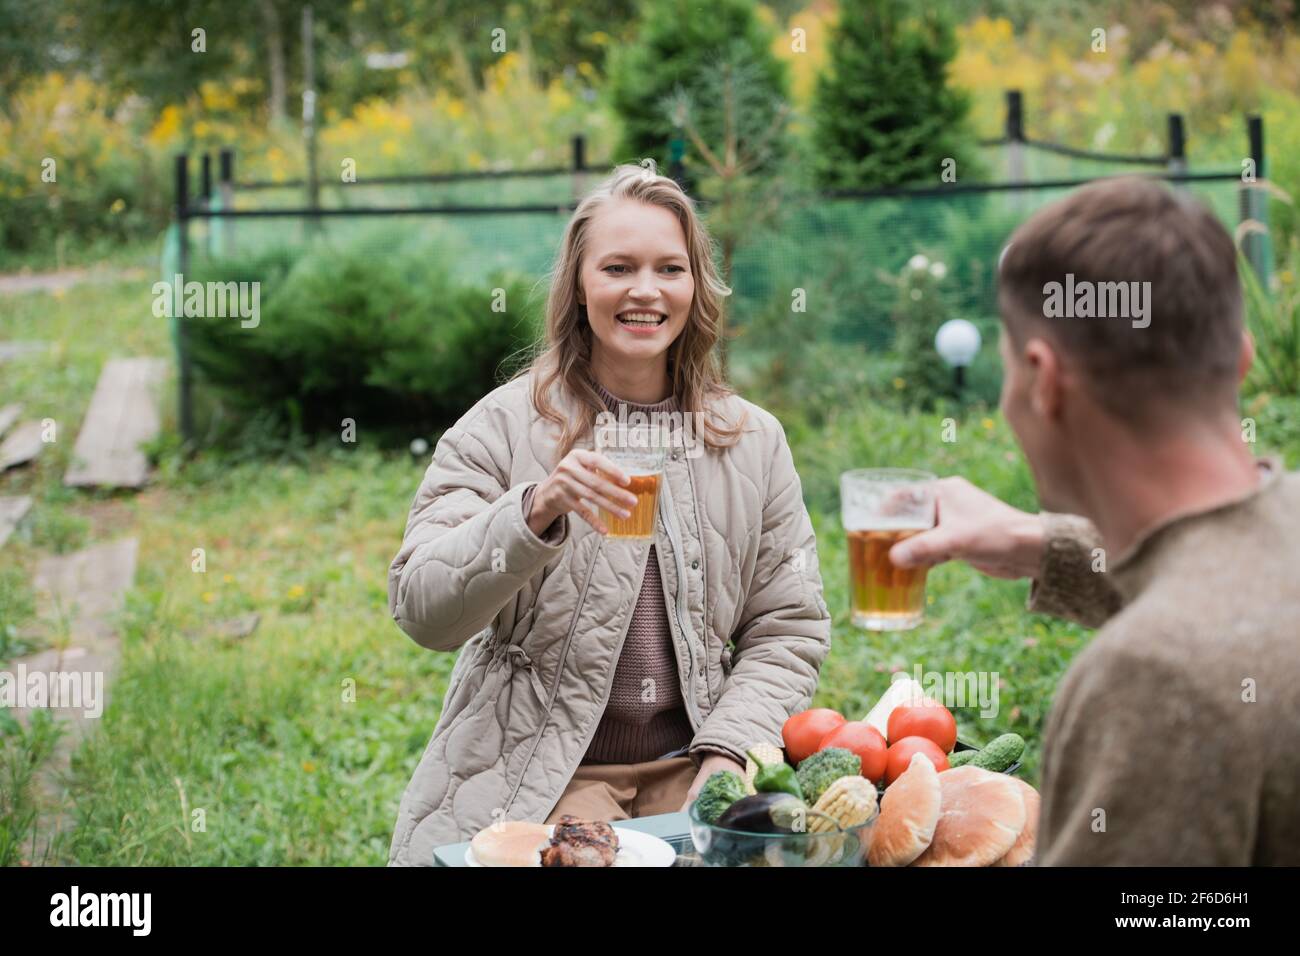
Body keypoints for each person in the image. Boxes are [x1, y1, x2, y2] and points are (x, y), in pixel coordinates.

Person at [384, 161, 831, 866]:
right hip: (552, 768)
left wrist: (729, 751)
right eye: (618, 267)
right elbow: (421, 609)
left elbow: (789, 625)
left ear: (696, 286)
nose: (645, 291)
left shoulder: (752, 440)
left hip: (695, 763)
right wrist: (533, 512)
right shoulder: (500, 428)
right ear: (579, 286)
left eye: (670, 269)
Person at [890, 176, 1300, 865]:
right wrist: (1042, 546)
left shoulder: (1153, 677)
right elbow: (1236, 589)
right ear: (1240, 357)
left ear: (1044, 379)